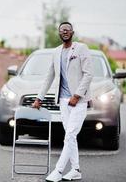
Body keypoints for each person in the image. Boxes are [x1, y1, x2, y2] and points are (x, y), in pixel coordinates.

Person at [32, 22, 93, 182]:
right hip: (63, 101)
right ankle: (76, 170)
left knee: (70, 135)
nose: (64, 32)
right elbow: (49, 76)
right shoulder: (56, 52)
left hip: (78, 101)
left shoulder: (81, 48)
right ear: (59, 33)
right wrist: (39, 97)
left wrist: (77, 96)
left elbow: (88, 75)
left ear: (72, 32)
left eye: (67, 30)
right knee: (70, 136)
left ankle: (58, 171)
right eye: (61, 30)